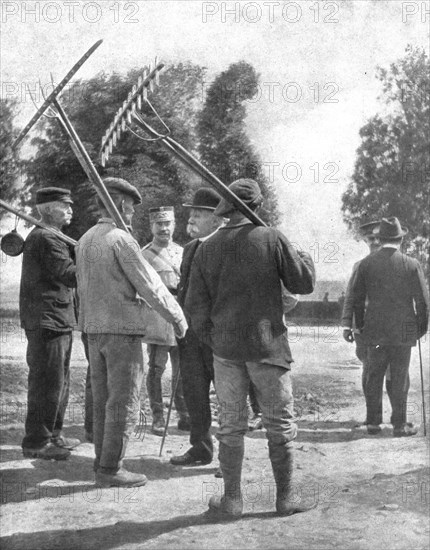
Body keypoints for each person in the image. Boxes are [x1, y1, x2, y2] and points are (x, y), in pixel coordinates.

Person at [186, 178, 315, 518]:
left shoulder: (205, 247)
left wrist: (215, 341)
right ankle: (285, 498)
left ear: (225, 210)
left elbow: (195, 309)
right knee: (279, 423)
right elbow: (303, 282)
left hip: (226, 352)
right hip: (268, 348)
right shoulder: (272, 238)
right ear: (257, 207)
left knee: (230, 425)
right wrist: (303, 255)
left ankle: (232, 501)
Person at [76, 178, 187, 488]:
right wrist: (178, 319)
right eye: (131, 207)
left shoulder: (84, 239)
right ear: (122, 205)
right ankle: (112, 468)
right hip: (122, 332)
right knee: (123, 401)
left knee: (101, 400)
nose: (133, 213)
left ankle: (102, 463)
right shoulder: (122, 240)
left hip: (92, 331)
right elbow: (150, 285)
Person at [350, 217, 429, 437]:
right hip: (404, 330)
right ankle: (399, 425)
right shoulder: (411, 264)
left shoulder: (366, 264)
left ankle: (374, 423)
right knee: (400, 376)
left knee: (373, 375)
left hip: (375, 329)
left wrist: (362, 325)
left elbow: (357, 299)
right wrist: (420, 328)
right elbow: (422, 302)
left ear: (380, 238)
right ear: (400, 240)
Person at [20, 187, 80, 460]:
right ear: (47, 209)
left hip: (56, 319)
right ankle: (37, 442)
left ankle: (53, 434)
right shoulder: (46, 238)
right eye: (64, 204)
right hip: (48, 321)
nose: (70, 209)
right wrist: (97, 258)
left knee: (59, 382)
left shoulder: (53, 236)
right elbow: (70, 275)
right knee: (47, 382)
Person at [170, 188, 224, 466]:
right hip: (191, 337)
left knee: (228, 396)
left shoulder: (228, 246)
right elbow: (185, 289)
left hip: (218, 337)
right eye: (191, 214)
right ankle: (200, 448)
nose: (191, 219)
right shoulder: (190, 248)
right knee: (194, 393)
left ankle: (230, 458)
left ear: (217, 220)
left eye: (199, 215)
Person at [142, 207, 190, 435]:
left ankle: (183, 414)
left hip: (181, 314)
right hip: (159, 316)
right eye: (159, 224)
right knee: (157, 369)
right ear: (151, 226)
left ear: (174, 225)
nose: (164, 228)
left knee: (182, 369)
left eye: (168, 223)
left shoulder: (183, 252)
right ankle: (158, 417)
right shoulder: (144, 255)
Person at [342, 221, 386, 414]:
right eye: (371, 238)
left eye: (379, 237)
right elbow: (351, 296)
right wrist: (346, 324)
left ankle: (398, 419)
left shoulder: (397, 264)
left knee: (395, 371)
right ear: (365, 240)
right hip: (365, 326)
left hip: (390, 326)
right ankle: (372, 416)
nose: (375, 241)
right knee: (369, 369)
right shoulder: (359, 266)